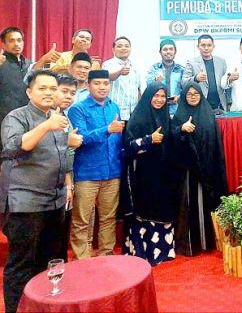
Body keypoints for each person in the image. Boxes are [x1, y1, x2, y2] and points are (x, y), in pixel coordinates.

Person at [0, 70, 70, 313]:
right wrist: (46, 126)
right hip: (25, 203)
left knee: (48, 262)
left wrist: (68, 184)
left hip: (55, 201)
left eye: (53, 88)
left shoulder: (59, 117)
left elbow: (64, 154)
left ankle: (41, 307)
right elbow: (14, 148)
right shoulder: (16, 116)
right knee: (21, 265)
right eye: (42, 88)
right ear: (29, 92)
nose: (49, 92)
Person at [68, 69, 124, 259]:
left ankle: (105, 256)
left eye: (106, 83)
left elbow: (118, 140)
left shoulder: (114, 107)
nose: (102, 87)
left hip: (112, 171)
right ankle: (82, 260)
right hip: (87, 173)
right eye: (97, 83)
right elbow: (81, 138)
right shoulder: (78, 109)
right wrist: (107, 129)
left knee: (108, 218)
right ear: (88, 85)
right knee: (82, 220)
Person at [121, 82, 177, 266]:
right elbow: (128, 147)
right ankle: (142, 252)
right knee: (144, 210)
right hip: (143, 176)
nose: (159, 100)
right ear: (148, 97)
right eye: (156, 96)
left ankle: (163, 251)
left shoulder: (166, 117)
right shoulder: (137, 118)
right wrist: (148, 140)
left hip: (164, 174)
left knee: (163, 208)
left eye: (163, 96)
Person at [172, 83, 228, 255]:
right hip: (187, 172)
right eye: (189, 94)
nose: (193, 96)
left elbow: (215, 144)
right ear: (184, 96)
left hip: (207, 169)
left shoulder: (208, 115)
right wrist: (181, 129)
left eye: (196, 93)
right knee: (189, 206)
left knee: (206, 203)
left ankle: (208, 242)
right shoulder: (179, 116)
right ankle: (191, 244)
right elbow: (170, 139)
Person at [54, 75, 84, 260]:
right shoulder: (50, 117)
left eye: (72, 93)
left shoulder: (64, 114)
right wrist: (68, 185)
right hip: (54, 183)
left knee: (62, 229)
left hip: (66, 178)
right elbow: (56, 150)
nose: (68, 97)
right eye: (64, 91)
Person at [0, 27, 32, 153]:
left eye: (19, 40)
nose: (16, 44)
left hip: (27, 120)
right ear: (4, 44)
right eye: (11, 40)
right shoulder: (1, 62)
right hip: (4, 120)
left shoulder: (29, 64)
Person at [183, 34, 230, 112]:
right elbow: (184, 83)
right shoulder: (191, 62)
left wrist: (229, 102)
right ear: (198, 47)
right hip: (200, 106)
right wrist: (196, 78)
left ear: (213, 46)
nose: (206, 48)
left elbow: (227, 83)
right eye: (203, 45)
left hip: (220, 106)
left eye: (209, 45)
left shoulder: (221, 61)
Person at [102, 36, 142, 121]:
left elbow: (139, 89)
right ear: (113, 49)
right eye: (119, 46)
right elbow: (106, 77)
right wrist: (119, 72)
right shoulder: (108, 64)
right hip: (114, 113)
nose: (124, 48)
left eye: (126, 46)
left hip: (133, 113)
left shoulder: (135, 66)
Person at [146, 39, 185, 116]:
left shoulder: (181, 69)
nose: (168, 52)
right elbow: (148, 85)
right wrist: (155, 81)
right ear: (160, 52)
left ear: (175, 52)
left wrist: (179, 97)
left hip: (176, 109)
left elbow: (185, 87)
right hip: (158, 107)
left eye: (171, 49)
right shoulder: (154, 68)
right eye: (165, 49)